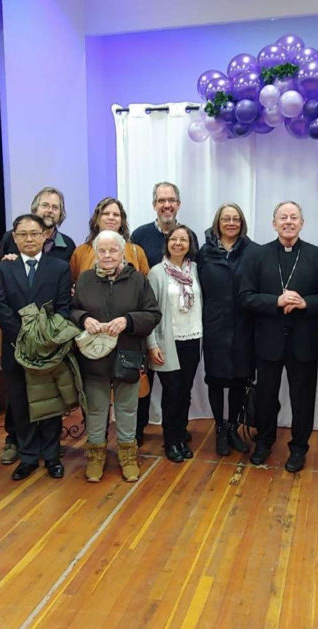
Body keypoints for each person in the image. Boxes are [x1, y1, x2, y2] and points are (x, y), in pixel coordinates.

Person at [239, 201, 318, 472]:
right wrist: (276, 301)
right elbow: (245, 297)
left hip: (304, 340)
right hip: (268, 340)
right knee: (266, 396)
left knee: (303, 399)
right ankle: (264, 442)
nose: (288, 222)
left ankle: (299, 448)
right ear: (273, 223)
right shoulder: (257, 255)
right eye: (283, 217)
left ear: (302, 223)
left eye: (293, 217)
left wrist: (305, 304)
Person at [71, 230, 160, 482]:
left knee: (127, 409)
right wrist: (84, 319)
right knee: (97, 409)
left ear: (122, 252)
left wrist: (127, 321)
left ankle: (128, 455)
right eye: (102, 250)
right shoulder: (86, 279)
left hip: (128, 354)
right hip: (94, 357)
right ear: (95, 253)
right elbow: (72, 310)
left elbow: (153, 314)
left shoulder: (138, 280)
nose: (108, 255)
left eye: (113, 250)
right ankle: (96, 456)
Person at [0, 187, 76, 465]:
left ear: (44, 236)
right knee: (19, 402)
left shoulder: (59, 268)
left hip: (49, 348)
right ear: (14, 238)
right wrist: (23, 337)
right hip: (15, 347)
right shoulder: (3, 268)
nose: (29, 239)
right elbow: (1, 306)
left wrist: (45, 339)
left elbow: (64, 307)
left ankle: (52, 455)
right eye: (23, 234)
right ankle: (28, 457)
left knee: (51, 403)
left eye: (34, 234)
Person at [197, 203, 256, 457]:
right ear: (217, 223)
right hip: (214, 324)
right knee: (216, 379)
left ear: (241, 223)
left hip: (244, 325)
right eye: (225, 219)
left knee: (238, 380)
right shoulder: (205, 252)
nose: (231, 223)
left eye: (235, 219)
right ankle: (220, 428)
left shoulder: (253, 251)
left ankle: (233, 426)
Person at [147, 225, 202, 462]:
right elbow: (149, 312)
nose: (178, 243)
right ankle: (171, 441)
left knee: (185, 392)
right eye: (174, 239)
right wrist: (152, 344)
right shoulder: (157, 272)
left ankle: (181, 434)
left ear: (190, 244)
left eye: (184, 239)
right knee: (172, 392)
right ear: (167, 243)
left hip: (193, 337)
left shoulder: (197, 270)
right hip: (167, 341)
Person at [69, 197, 150, 281]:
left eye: (116, 215)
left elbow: (145, 285)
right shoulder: (80, 252)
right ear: (96, 220)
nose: (111, 218)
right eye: (106, 213)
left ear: (122, 221)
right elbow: (74, 284)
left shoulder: (136, 252)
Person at [0, 187, 76, 264]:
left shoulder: (68, 245)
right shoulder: (11, 238)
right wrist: (5, 264)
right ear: (35, 209)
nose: (50, 210)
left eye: (55, 207)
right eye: (45, 205)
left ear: (60, 214)